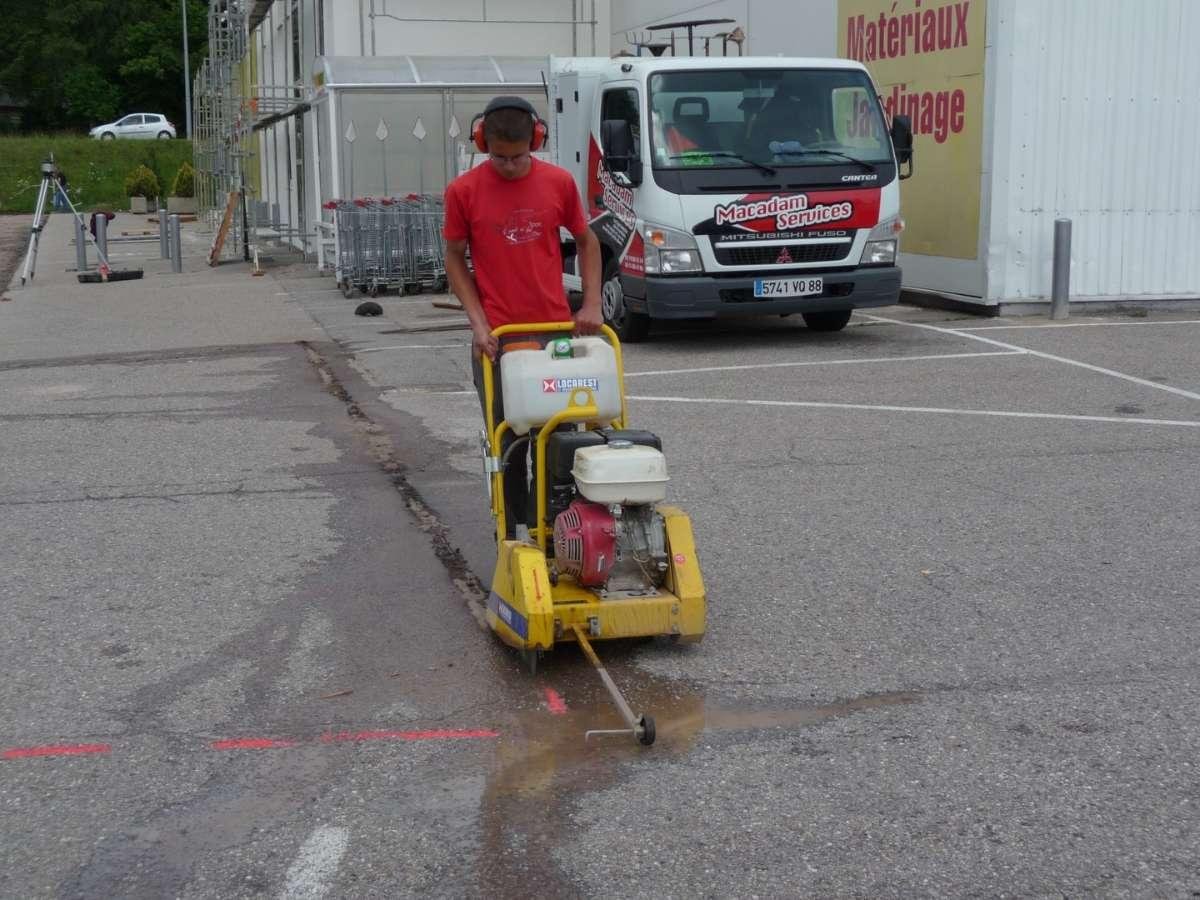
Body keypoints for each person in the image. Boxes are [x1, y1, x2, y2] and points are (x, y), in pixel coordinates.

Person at [442, 95, 602, 537]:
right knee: (509, 443)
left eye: (518, 156)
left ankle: (561, 529)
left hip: (555, 333)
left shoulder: (558, 183)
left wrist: (590, 305)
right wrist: (478, 324)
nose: (510, 166)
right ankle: (514, 534)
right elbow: (455, 258)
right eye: (499, 157)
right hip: (501, 337)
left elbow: (587, 242)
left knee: (561, 440)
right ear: (481, 143)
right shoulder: (464, 191)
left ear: (535, 140)